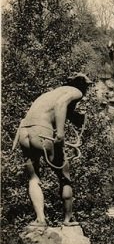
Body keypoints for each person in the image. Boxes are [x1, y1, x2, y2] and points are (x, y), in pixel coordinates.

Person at [13, 73, 93, 227]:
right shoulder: (75, 92)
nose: (86, 91)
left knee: (33, 178)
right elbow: (61, 105)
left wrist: (76, 117)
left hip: (24, 132)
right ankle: (68, 220)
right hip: (42, 132)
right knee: (65, 176)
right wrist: (61, 133)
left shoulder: (50, 94)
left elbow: (57, 111)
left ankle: (40, 219)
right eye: (87, 87)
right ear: (82, 85)